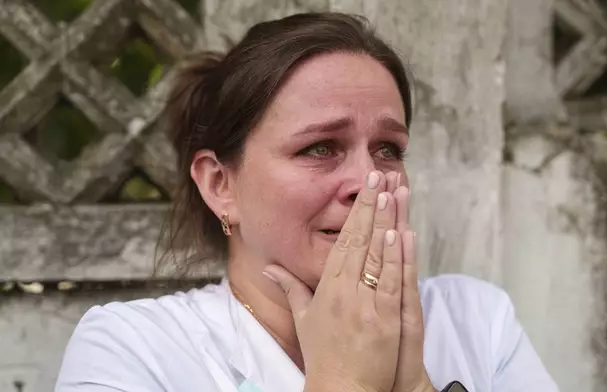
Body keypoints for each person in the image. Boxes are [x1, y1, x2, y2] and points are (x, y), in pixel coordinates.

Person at [55, 12, 559, 392]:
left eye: (389, 149)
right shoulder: (134, 349)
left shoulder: (474, 319)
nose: (369, 180)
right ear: (219, 185)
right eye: (319, 148)